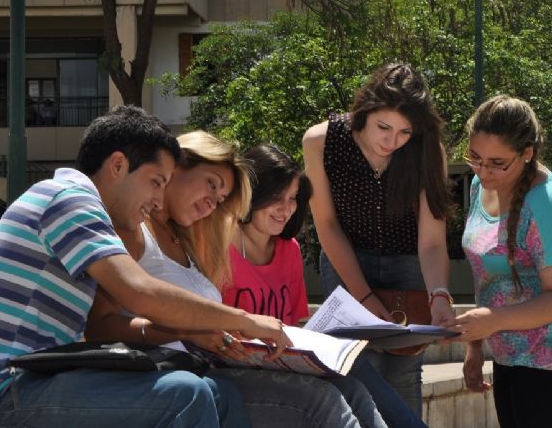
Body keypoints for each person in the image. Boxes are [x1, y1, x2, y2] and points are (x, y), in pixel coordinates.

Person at [0, 105, 290, 428]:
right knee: (186, 395)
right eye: (156, 181)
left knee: (222, 395)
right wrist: (245, 320)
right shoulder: (68, 198)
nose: (158, 199)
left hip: (35, 381)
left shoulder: (81, 205)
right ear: (117, 165)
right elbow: (140, 292)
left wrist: (189, 330)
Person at [86, 131, 386, 428]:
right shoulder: (136, 229)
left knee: (351, 387)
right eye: (211, 185)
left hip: (214, 368)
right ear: (177, 165)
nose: (211, 204)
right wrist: (191, 329)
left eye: (220, 199)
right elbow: (100, 325)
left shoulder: (186, 243)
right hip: (176, 378)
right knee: (319, 400)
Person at [225, 143, 429, 428]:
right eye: (276, 198)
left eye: (294, 198)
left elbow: (293, 323)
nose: (286, 209)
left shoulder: (289, 249)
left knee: (354, 376)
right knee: (324, 395)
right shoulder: (220, 248)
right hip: (235, 366)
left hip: (281, 359)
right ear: (250, 194)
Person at [302, 62, 457, 414]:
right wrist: (365, 296)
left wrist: (440, 295)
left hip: (410, 263)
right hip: (346, 258)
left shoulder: (427, 150)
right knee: (358, 368)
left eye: (405, 132)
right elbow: (326, 225)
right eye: (383, 127)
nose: (392, 141)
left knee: (404, 369)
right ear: (363, 111)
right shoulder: (321, 141)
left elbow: (432, 241)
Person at [453, 95, 552, 428]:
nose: (483, 171)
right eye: (476, 158)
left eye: (498, 162)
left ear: (527, 153)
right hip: (510, 357)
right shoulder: (480, 185)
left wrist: (492, 320)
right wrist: (476, 346)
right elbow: (487, 278)